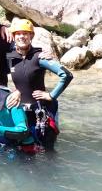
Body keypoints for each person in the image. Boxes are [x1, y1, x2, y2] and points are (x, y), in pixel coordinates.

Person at [5, 19, 73, 151]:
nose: (22, 36)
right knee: (27, 151)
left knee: (48, 150)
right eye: (18, 33)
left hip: (41, 111)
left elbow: (66, 75)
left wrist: (51, 95)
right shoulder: (10, 58)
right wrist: (14, 91)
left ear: (31, 36)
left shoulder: (40, 57)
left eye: (26, 33)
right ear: (13, 36)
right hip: (22, 112)